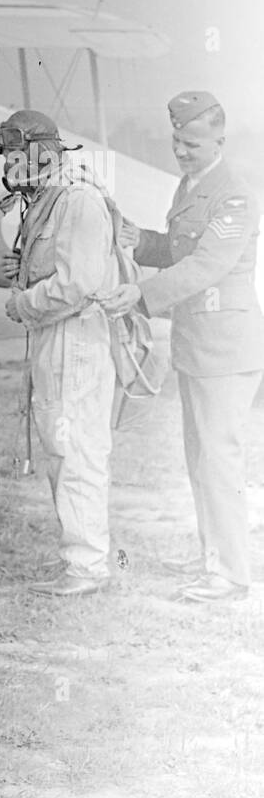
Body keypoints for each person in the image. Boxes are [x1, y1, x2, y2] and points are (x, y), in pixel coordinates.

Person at [102, 91, 264, 602]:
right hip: (200, 347)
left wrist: (142, 294)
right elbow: (178, 249)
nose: (182, 150)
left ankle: (231, 574)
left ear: (219, 139)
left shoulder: (234, 192)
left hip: (227, 350)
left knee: (219, 460)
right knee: (201, 460)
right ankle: (213, 558)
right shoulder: (192, 184)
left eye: (192, 142)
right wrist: (140, 240)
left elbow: (207, 265)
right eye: (176, 140)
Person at [0, 110, 122, 598]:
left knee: (76, 451)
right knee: (62, 448)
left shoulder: (77, 199)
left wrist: (22, 303)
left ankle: (86, 566)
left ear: (43, 153)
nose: (9, 163)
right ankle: (81, 561)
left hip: (75, 336)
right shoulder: (48, 198)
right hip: (58, 336)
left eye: (15, 153)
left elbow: (77, 284)